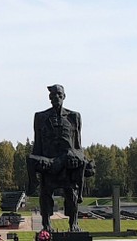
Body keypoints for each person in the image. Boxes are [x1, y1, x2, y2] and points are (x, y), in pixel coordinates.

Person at [27, 84, 93, 232]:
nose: (55, 97)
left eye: (59, 94)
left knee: (72, 194)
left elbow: (78, 145)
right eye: (53, 95)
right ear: (49, 98)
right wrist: (37, 164)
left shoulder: (74, 117)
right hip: (49, 163)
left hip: (67, 163)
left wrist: (79, 158)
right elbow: (37, 144)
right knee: (45, 193)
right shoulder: (40, 117)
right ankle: (46, 224)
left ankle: (73, 224)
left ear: (63, 96)